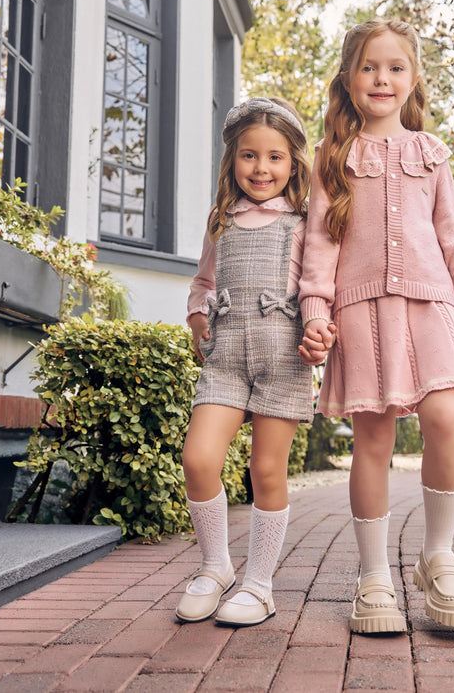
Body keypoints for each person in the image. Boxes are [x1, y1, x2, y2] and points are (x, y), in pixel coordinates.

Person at [298, 18, 454, 633]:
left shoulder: (431, 153)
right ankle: (374, 574)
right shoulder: (332, 157)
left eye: (395, 67)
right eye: (369, 67)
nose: (382, 78)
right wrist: (316, 310)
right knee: (373, 440)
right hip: (360, 311)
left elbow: (453, 238)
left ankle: (439, 556)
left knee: (446, 418)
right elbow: (319, 245)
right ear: (348, 78)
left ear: (413, 79)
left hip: (432, 304)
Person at [177, 97, 326, 628]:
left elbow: (318, 288)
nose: (261, 168)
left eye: (274, 157)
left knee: (266, 470)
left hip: (283, 357)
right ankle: (215, 566)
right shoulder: (222, 220)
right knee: (198, 460)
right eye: (249, 155)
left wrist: (318, 329)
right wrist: (198, 316)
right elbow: (202, 282)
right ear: (232, 160)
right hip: (225, 360)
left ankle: (259, 584)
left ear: (294, 163)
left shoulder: (304, 223)